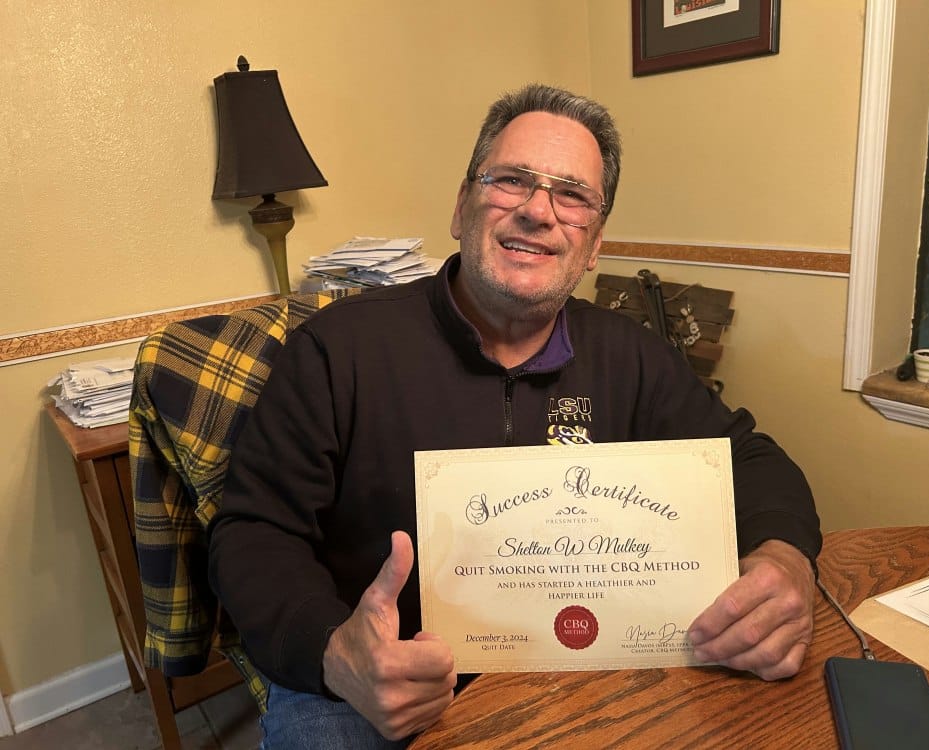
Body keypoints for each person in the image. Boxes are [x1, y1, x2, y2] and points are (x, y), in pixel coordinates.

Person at [208, 83, 821, 749]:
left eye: (572, 196)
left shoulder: (632, 357)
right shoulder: (340, 351)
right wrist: (333, 651)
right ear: (461, 206)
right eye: (511, 180)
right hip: (371, 683)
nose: (537, 210)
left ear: (594, 245)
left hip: (577, 663)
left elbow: (752, 461)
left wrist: (786, 561)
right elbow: (253, 531)